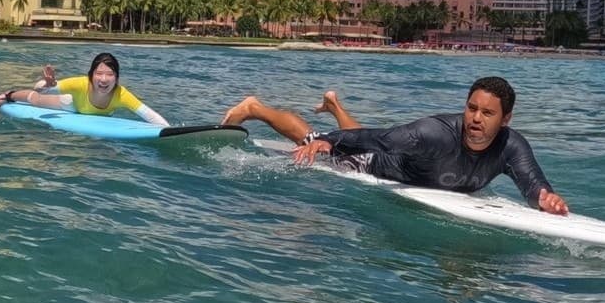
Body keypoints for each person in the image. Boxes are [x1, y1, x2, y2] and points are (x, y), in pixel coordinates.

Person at [220, 76, 569, 215]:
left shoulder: (512, 146)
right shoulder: (434, 133)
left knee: (361, 138)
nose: (476, 118)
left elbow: (531, 183)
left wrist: (544, 199)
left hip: (389, 151)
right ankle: (254, 107)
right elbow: (378, 139)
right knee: (310, 138)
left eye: (488, 113)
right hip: (372, 163)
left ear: (505, 119)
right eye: (472, 108)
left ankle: (334, 105)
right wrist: (328, 141)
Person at [0, 52, 171, 126]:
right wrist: (48, 85)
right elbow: (41, 89)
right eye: (99, 74)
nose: (104, 79)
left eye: (110, 74)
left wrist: (168, 131)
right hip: (72, 106)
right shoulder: (80, 84)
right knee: (37, 100)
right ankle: (7, 95)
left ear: (117, 77)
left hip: (98, 117)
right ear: (91, 76)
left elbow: (149, 115)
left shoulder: (121, 94)